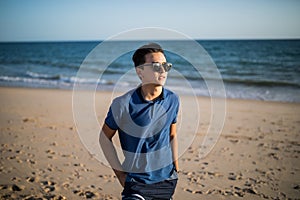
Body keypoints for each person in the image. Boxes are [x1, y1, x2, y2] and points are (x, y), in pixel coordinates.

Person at [100, 43, 180, 200]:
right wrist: (121, 176)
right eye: (156, 66)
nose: (163, 70)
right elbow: (104, 138)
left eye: (166, 65)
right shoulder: (122, 104)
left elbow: (172, 135)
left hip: (167, 181)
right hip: (136, 183)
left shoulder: (173, 100)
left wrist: (176, 168)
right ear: (140, 71)